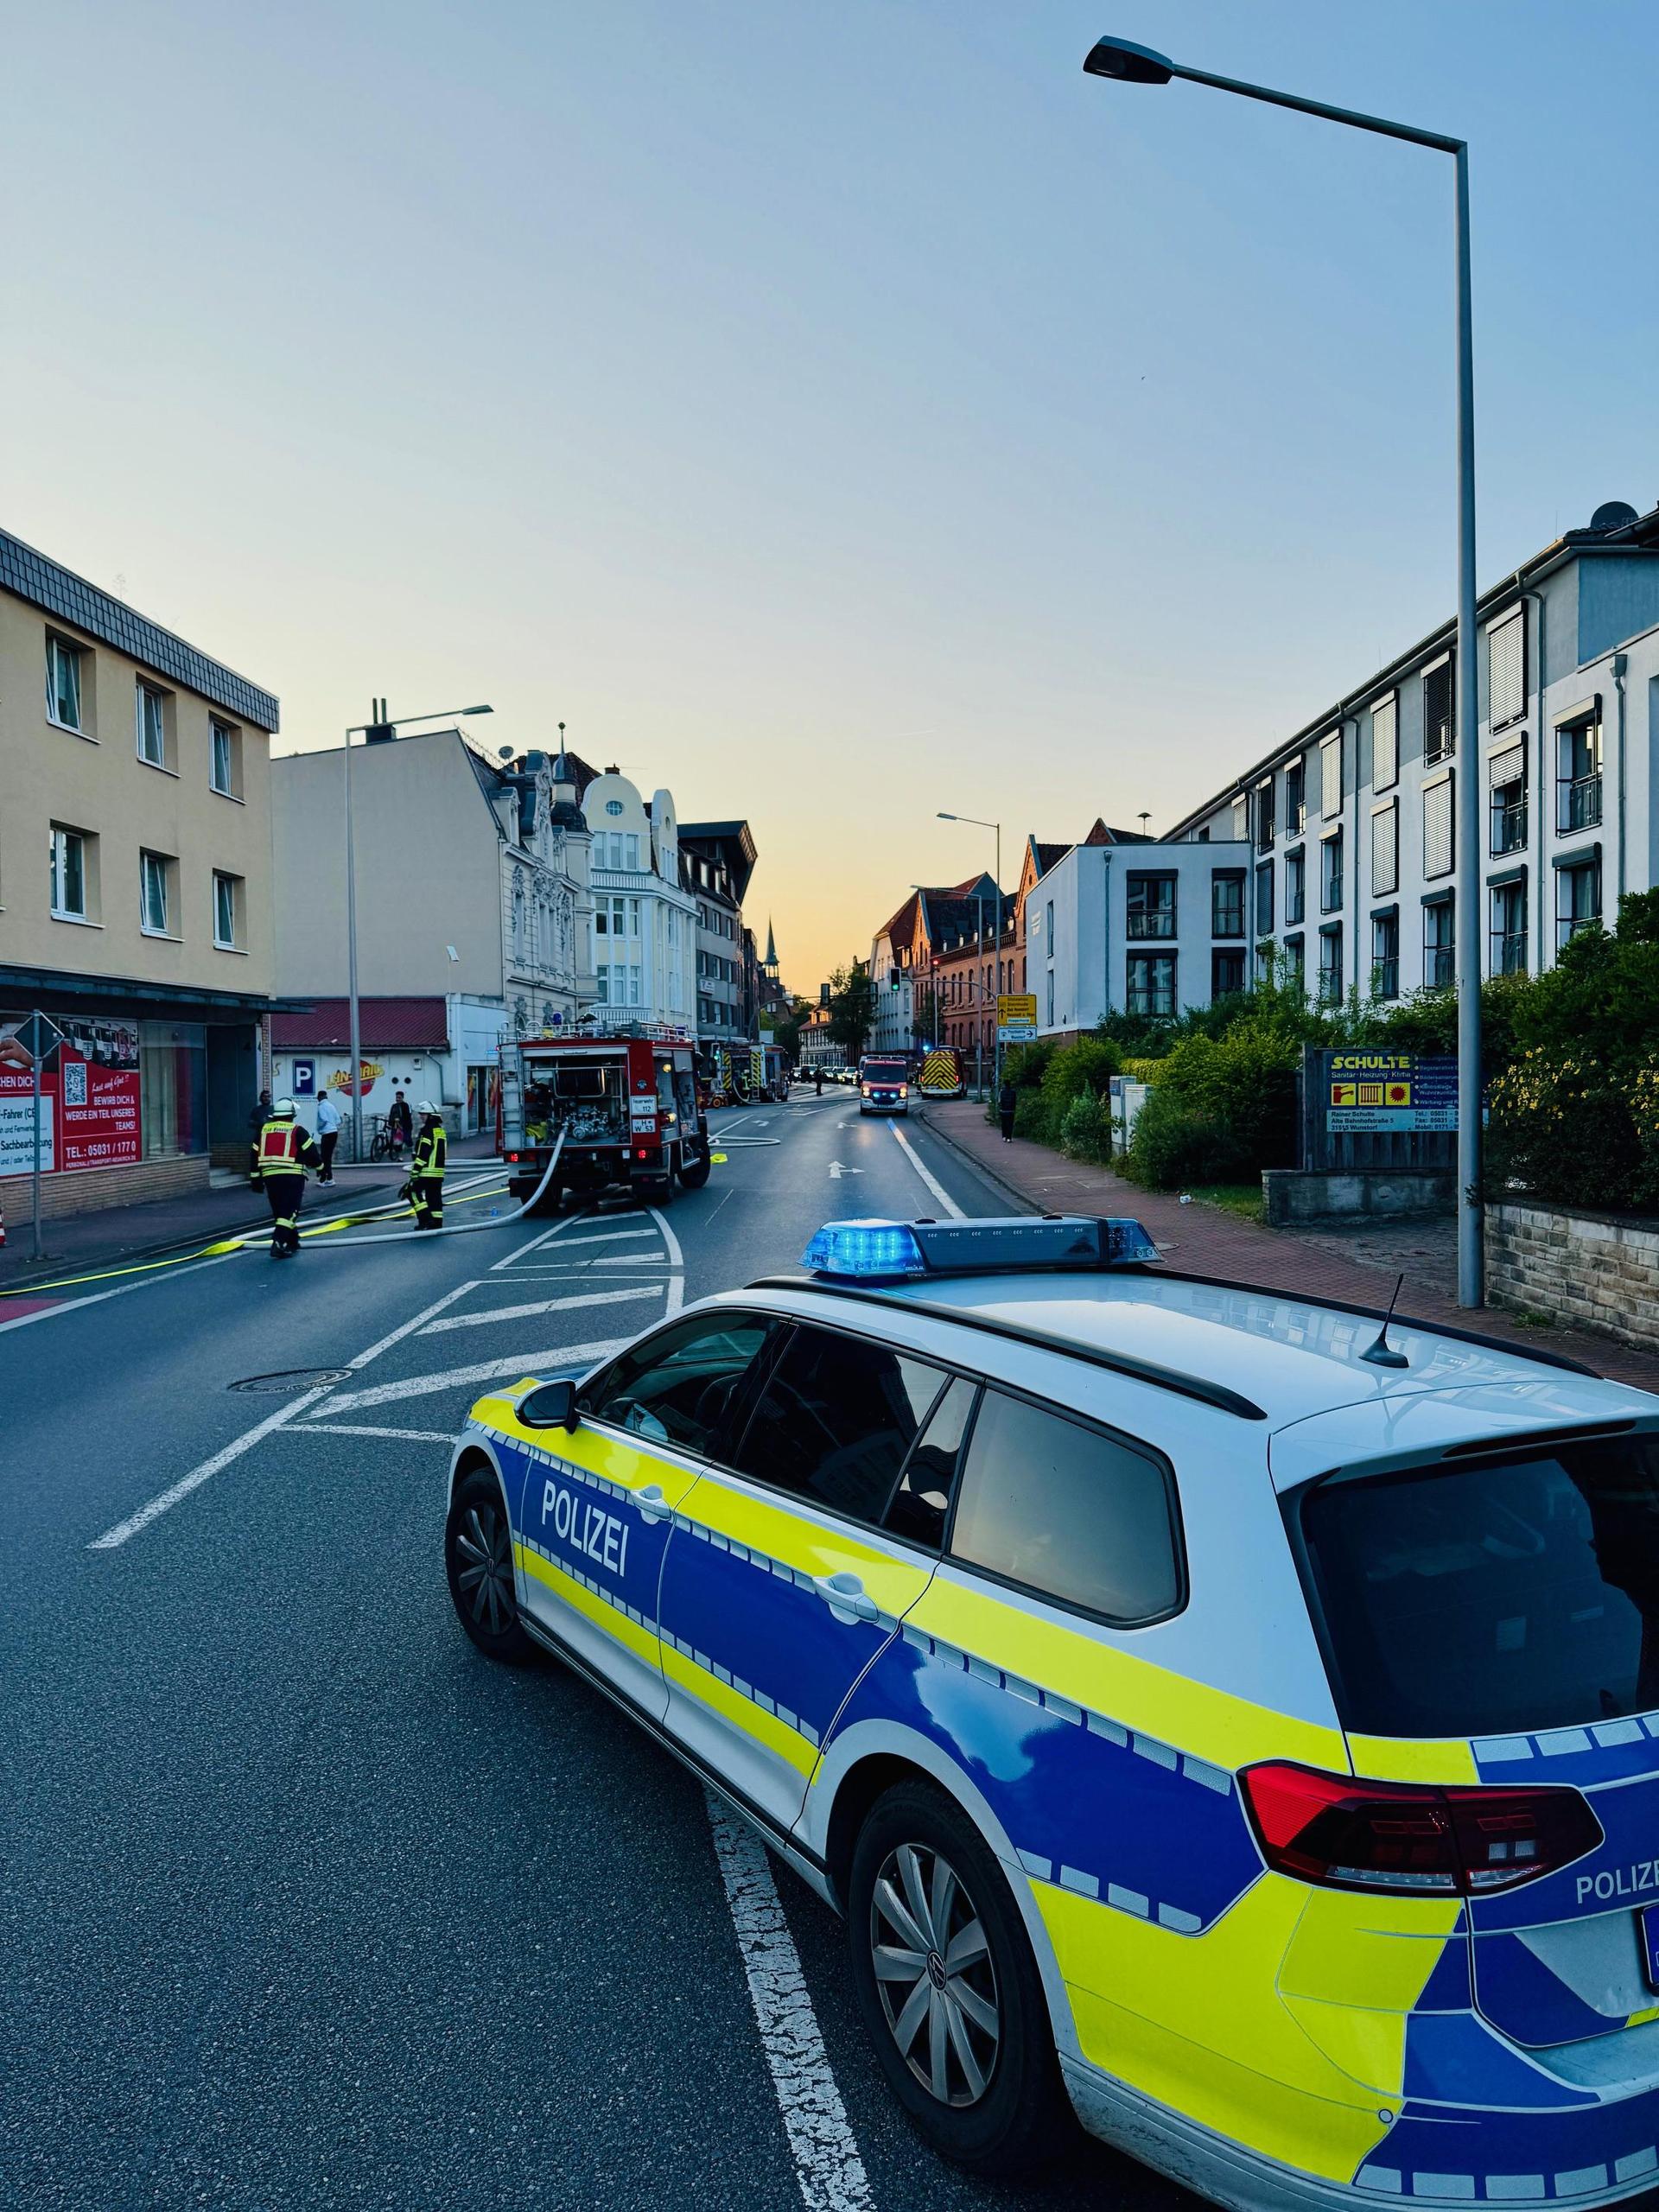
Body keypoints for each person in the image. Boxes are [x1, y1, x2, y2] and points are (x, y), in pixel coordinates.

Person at [251, 1098, 322, 1258]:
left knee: (280, 1211)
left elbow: (254, 1154)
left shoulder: (263, 1131)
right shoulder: (297, 1131)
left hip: (270, 1178)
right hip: (292, 1177)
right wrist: (321, 1168)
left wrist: (255, 1179)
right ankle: (278, 1243)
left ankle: (292, 1240)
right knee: (290, 1211)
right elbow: (312, 1153)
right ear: (292, 1115)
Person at [410, 1101, 447, 1230]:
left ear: (431, 1116)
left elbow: (424, 1153)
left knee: (412, 1193)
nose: (421, 1116)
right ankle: (437, 1222)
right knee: (434, 1197)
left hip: (426, 1171)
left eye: (423, 1114)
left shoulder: (427, 1131)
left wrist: (415, 1171)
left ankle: (425, 1220)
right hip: (438, 1173)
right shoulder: (440, 1131)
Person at [313, 1087, 341, 1183]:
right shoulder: (332, 1106)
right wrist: (333, 1125)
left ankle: (328, 1178)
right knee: (328, 1156)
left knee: (325, 1157)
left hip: (327, 1133)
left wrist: (319, 1128)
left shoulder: (321, 1107)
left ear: (320, 1097)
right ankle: (327, 1177)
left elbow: (323, 1120)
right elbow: (338, 1120)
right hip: (334, 1133)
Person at [247, 1090, 272, 1185]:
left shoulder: (273, 1109)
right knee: (255, 1159)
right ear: (261, 1098)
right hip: (259, 1138)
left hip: (271, 1139)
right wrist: (260, 1123)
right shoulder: (256, 1110)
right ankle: (256, 1181)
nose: (266, 1098)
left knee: (269, 1159)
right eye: (264, 1096)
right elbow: (250, 1123)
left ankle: (269, 1179)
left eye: (268, 1096)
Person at [386, 1088, 413, 1161]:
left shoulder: (406, 1105)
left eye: (399, 1097)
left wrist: (403, 1125)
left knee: (407, 1141)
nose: (397, 1099)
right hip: (396, 1127)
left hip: (405, 1127)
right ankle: (400, 1157)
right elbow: (391, 1116)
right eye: (397, 1097)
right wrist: (390, 1124)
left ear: (402, 1098)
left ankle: (413, 1152)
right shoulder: (394, 1106)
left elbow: (408, 1116)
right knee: (398, 1143)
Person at [998, 1076, 1017, 1144]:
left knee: (1004, 1124)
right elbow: (1015, 1101)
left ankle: (1004, 1136)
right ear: (1010, 1084)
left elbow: (999, 1101)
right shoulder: (1013, 1092)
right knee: (1010, 1124)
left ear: (1004, 1085)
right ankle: (1009, 1138)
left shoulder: (1001, 1092)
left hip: (1003, 1110)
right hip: (1011, 1111)